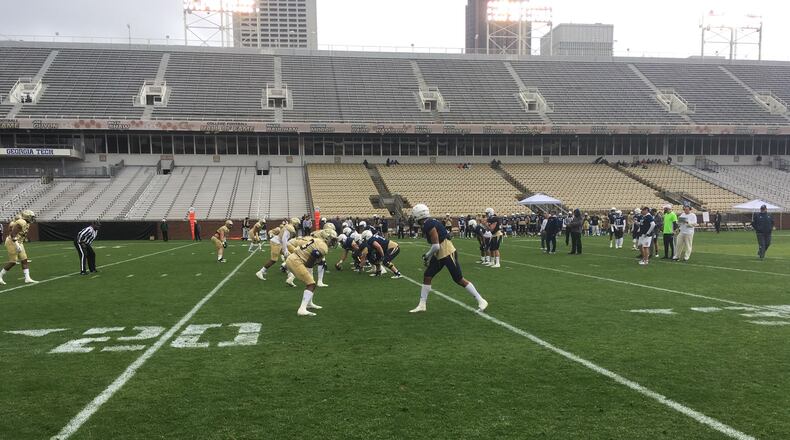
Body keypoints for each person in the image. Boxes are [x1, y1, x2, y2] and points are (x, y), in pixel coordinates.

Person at [408, 203, 488, 313]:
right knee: (427, 275)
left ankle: (481, 300)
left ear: (418, 215)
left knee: (458, 279)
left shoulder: (428, 224)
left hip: (447, 251)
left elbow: (436, 245)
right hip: (440, 252)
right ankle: (422, 304)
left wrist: (427, 255)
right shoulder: (430, 222)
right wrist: (429, 257)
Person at [286, 228, 337, 316]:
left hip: (294, 258)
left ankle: (309, 303)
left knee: (311, 281)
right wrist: (310, 266)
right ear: (327, 238)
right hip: (297, 261)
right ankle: (302, 309)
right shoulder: (323, 246)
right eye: (332, 239)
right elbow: (312, 259)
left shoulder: (316, 240)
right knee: (311, 284)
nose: (333, 242)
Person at [0, 210, 37, 285]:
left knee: (24, 259)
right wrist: (17, 245)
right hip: (12, 242)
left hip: (19, 242)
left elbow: (21, 233)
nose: (32, 218)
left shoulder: (27, 223)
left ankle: (27, 278)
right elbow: (12, 234)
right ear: (27, 217)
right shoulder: (21, 222)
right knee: (13, 262)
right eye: (31, 217)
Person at [256, 218, 299, 282]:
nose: (297, 225)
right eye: (297, 224)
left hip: (279, 242)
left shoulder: (289, 227)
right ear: (294, 223)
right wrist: (285, 249)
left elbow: (284, 239)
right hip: (276, 242)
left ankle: (289, 273)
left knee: (289, 257)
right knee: (274, 260)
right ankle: (260, 272)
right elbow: (284, 239)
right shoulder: (289, 228)